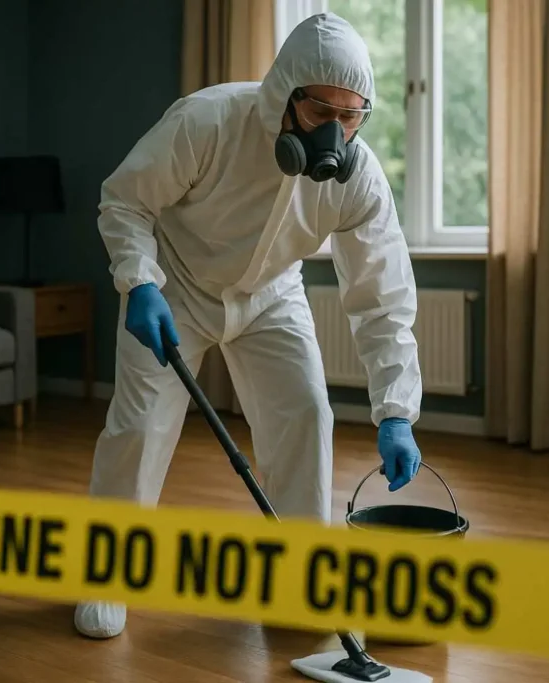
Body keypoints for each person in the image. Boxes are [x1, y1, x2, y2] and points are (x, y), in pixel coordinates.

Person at [74, 12, 423, 639]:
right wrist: (139, 281)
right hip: (175, 284)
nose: (336, 137)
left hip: (271, 293)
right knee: (140, 428)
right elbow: (124, 200)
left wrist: (396, 410)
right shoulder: (206, 121)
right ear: (283, 96)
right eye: (322, 114)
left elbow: (382, 295)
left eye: (352, 117)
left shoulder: (358, 176)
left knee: (306, 414)